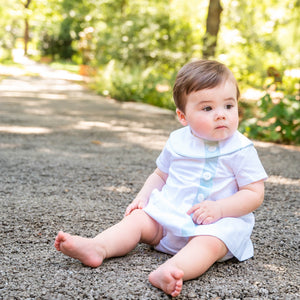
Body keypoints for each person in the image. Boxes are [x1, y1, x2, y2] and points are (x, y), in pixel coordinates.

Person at [54, 59, 268, 297]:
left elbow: (254, 193)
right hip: (170, 217)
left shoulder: (241, 149)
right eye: (208, 108)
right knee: (137, 220)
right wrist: (142, 197)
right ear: (183, 116)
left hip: (217, 224)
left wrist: (220, 208)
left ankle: (173, 269)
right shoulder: (178, 141)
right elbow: (160, 174)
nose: (221, 115)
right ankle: (98, 247)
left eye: (229, 106)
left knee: (210, 244)